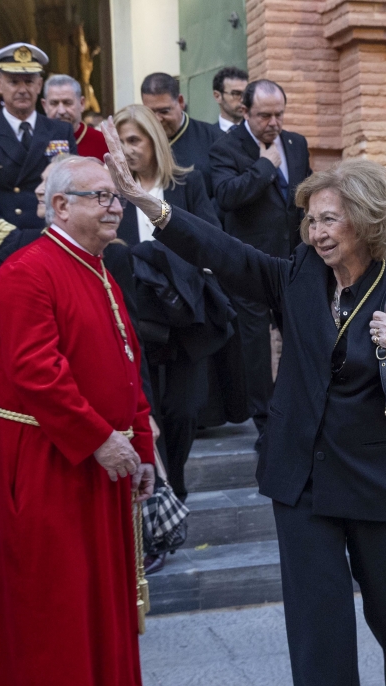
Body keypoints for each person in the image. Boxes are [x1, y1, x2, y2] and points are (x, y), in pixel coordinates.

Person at [104, 121, 386, 686]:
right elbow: (224, 252)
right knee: (318, 634)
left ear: (365, 222)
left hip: (380, 482)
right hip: (301, 480)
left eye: (329, 219)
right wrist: (150, 205)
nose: (315, 231)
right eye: (309, 219)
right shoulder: (297, 277)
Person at [0, 156, 155, 686]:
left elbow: (124, 361)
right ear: (60, 207)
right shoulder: (25, 275)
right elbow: (37, 374)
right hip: (48, 461)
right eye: (100, 197)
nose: (115, 207)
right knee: (55, 602)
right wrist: (99, 441)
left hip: (99, 457)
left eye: (116, 197)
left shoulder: (99, 270)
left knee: (99, 595)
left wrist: (138, 442)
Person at [113, 104, 230, 500]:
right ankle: (161, 488)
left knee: (183, 410)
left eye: (136, 140)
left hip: (183, 314)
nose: (128, 149)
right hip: (132, 316)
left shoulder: (186, 185)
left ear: (154, 141)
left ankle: (173, 479)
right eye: (122, 140)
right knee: (149, 413)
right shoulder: (110, 191)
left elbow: (210, 237)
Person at [210, 79, 312, 438]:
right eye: (265, 115)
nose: (274, 123)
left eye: (279, 114)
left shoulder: (296, 143)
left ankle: (293, 404)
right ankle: (265, 423)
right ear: (244, 112)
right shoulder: (226, 148)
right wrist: (265, 167)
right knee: (254, 345)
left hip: (295, 260)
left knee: (300, 334)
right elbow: (226, 196)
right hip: (249, 263)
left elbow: (306, 195)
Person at [0, 42, 77, 273]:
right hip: (1, 247)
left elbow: (71, 188)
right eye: (14, 82)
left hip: (53, 240)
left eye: (28, 81)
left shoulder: (59, 131)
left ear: (39, 85)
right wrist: (12, 238)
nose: (22, 89)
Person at [140, 72, 223, 206]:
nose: (157, 119)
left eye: (164, 111)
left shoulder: (215, 138)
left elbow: (224, 195)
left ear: (180, 102)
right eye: (150, 112)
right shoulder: (137, 142)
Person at [42, 73, 109, 160]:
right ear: (44, 106)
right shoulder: (34, 140)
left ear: (82, 104)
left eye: (67, 103)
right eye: (54, 103)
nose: (61, 111)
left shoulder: (103, 142)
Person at [213, 65, 248, 132]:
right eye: (236, 94)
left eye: (246, 94)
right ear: (217, 96)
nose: (243, 99)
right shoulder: (208, 136)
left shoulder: (256, 134)